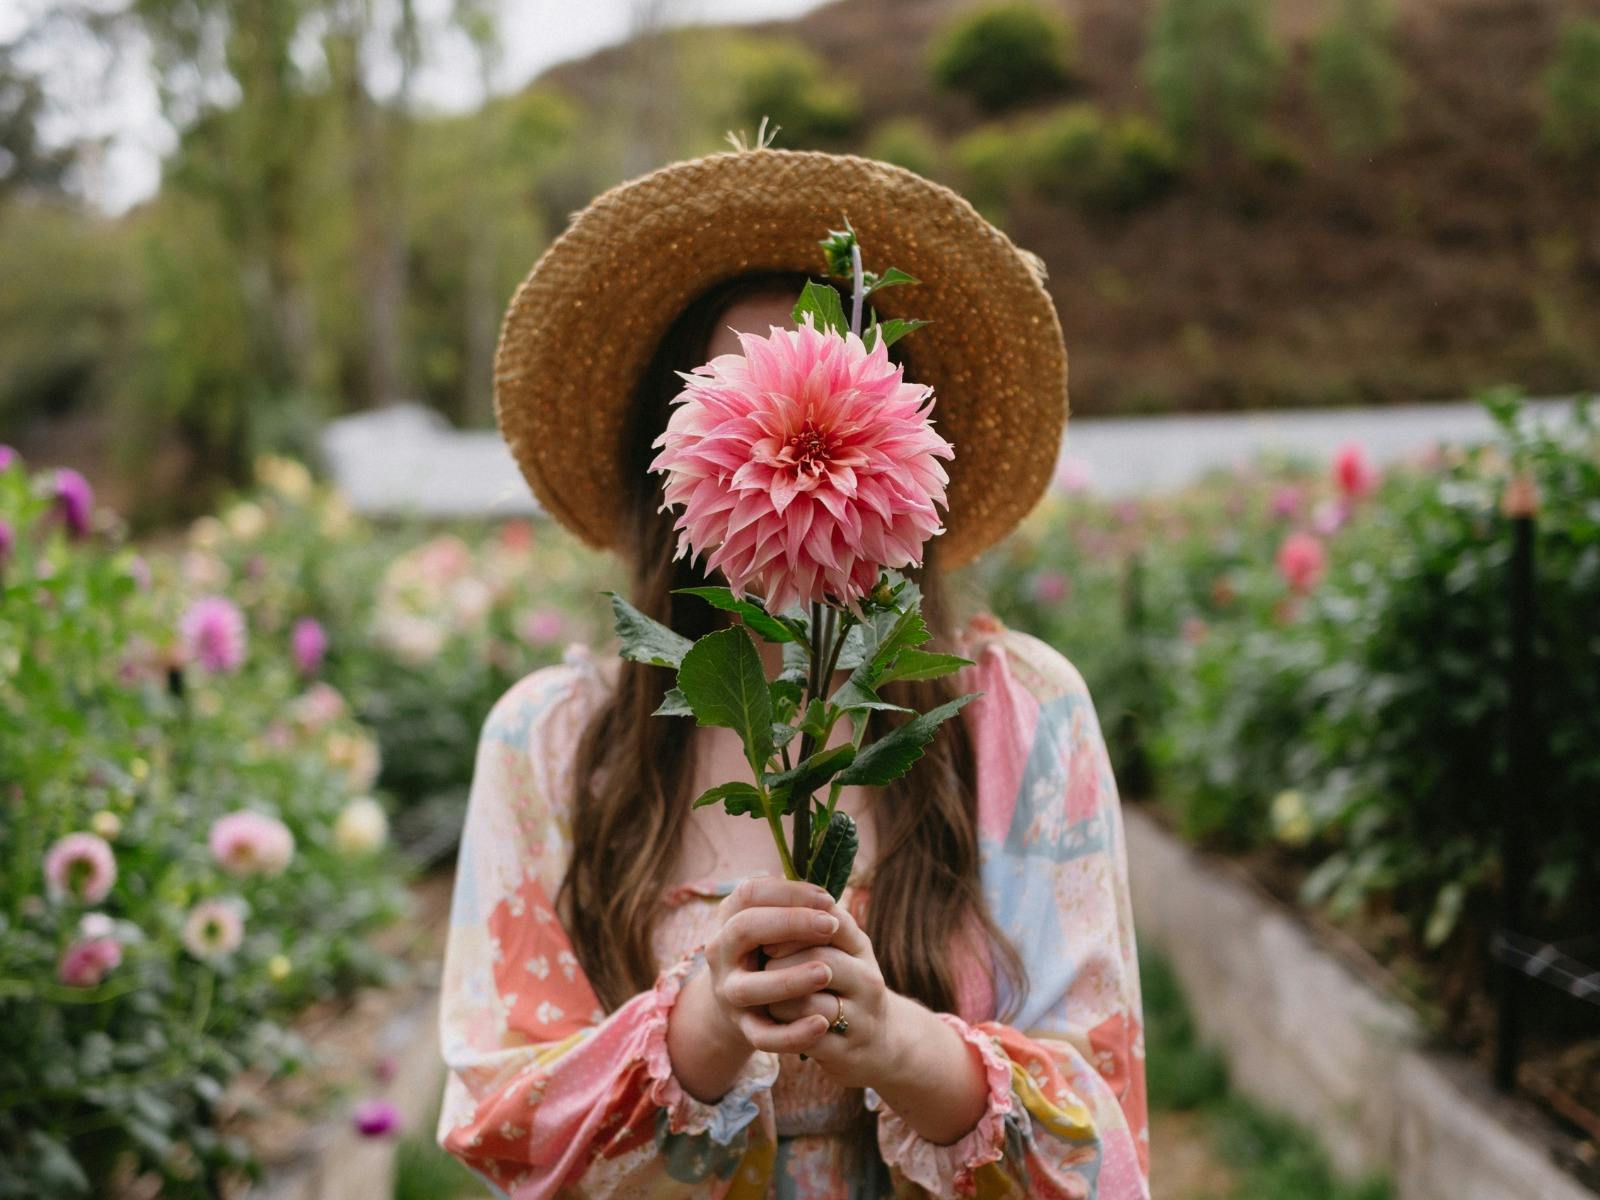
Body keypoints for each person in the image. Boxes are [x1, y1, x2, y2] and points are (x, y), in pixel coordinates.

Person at [435, 144, 1149, 1199]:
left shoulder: (1021, 716)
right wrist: (701, 1031)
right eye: (736, 410)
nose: (783, 457)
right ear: (667, 460)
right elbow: (503, 1126)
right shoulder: (548, 745)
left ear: (907, 446)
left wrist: (906, 1050)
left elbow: (1104, 1135)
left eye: (823, 415)